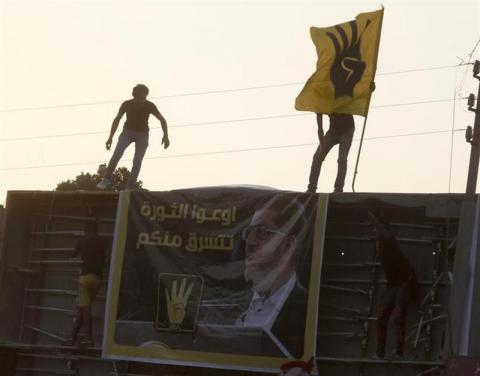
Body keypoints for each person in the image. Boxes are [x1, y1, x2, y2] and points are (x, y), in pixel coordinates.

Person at [236, 195, 309, 358]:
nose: (250, 242)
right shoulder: (231, 305)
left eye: (261, 232)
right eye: (248, 232)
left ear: (288, 245)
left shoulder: (309, 309)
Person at [96, 84, 170, 191]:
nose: (141, 101)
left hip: (143, 134)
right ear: (134, 96)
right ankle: (106, 179)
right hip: (127, 132)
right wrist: (110, 138)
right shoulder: (127, 104)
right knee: (117, 153)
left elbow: (162, 120)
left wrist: (166, 136)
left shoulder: (150, 106)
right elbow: (117, 120)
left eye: (143, 98)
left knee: (137, 160)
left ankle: (130, 185)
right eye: (139, 98)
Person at [368, 209, 419, 360]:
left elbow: (381, 227)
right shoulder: (380, 244)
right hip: (392, 284)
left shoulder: (389, 240)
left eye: (375, 229)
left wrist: (368, 212)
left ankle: (398, 352)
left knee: (398, 317)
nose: (373, 231)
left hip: (404, 281)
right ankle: (380, 353)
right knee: (381, 318)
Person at [307, 82, 375, 193]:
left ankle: (338, 189)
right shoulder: (320, 105)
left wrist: (369, 89)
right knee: (317, 157)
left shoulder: (341, 93)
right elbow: (320, 130)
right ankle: (311, 188)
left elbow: (358, 94)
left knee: (342, 159)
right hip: (333, 131)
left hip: (347, 130)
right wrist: (322, 149)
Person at [64, 220, 107, 347]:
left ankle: (88, 338)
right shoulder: (101, 241)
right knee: (83, 308)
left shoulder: (82, 240)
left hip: (85, 279)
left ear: (86, 229)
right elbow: (105, 257)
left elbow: (73, 255)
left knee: (85, 309)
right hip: (98, 280)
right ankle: (72, 337)